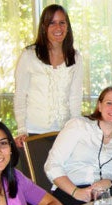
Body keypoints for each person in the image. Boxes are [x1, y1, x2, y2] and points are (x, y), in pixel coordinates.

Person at [45, 86, 112, 205]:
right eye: (109, 103)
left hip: (107, 196)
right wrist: (76, 192)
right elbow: (52, 165)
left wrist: (110, 183)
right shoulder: (78, 125)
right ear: (99, 106)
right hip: (70, 192)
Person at [13, 4, 83, 147]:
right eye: (52, 23)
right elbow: (20, 95)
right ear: (44, 27)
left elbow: (75, 97)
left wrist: (76, 129)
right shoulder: (29, 55)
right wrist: (21, 129)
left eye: (62, 23)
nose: (58, 28)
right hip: (33, 133)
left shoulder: (75, 57)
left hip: (64, 133)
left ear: (67, 26)